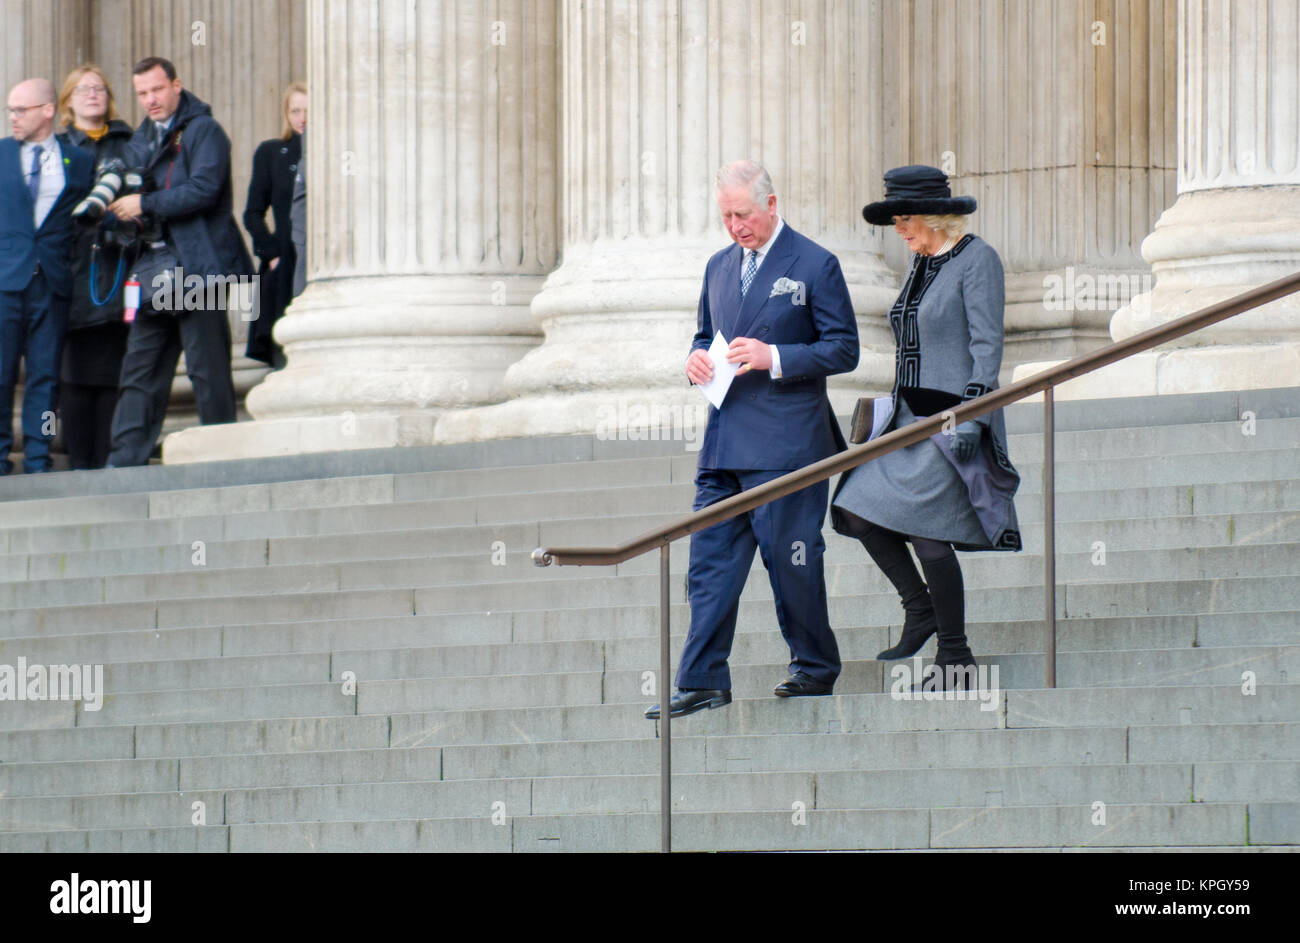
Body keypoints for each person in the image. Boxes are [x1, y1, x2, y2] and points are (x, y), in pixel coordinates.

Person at [646, 160, 860, 720]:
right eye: (725, 216)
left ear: (770, 204)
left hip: (789, 445)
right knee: (709, 561)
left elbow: (843, 349)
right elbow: (704, 333)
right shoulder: (718, 267)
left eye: (742, 214)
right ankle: (701, 679)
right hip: (724, 443)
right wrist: (693, 360)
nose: (735, 226)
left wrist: (778, 358)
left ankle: (813, 667)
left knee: (792, 560)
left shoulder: (816, 263)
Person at [831, 164, 1022, 691]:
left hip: (949, 421)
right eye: (895, 217)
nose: (898, 227)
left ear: (936, 215)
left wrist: (973, 415)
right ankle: (920, 610)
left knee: (928, 533)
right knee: (854, 507)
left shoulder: (977, 260)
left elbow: (987, 347)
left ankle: (955, 656)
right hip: (907, 422)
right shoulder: (920, 263)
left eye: (905, 216)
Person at [103, 56, 253, 467]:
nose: (150, 100)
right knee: (139, 373)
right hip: (154, 272)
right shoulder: (140, 140)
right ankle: (123, 465)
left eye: (156, 89)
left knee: (207, 368)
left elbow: (205, 189)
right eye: (142, 93)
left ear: (176, 85)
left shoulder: (205, 130)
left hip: (196, 269)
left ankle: (221, 460)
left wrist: (144, 203)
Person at [0, 78, 94, 474]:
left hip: (53, 281)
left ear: (47, 111)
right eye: (9, 110)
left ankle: (39, 457)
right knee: (1, 374)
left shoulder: (80, 161)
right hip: (5, 280)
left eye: (20, 110)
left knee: (46, 377)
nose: (12, 118)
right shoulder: (2, 153)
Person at [56, 65, 136, 469]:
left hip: (118, 269)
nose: (93, 95)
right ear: (68, 100)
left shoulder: (130, 143)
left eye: (100, 88)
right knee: (71, 374)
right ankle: (78, 464)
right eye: (84, 89)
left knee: (114, 373)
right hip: (68, 272)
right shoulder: (55, 148)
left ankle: (108, 463)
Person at [243, 81, 305, 368]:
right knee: (283, 347)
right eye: (295, 111)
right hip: (282, 263)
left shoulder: (332, 155)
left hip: (318, 262)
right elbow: (252, 213)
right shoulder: (271, 152)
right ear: (286, 114)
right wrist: (271, 254)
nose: (302, 118)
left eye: (309, 110)